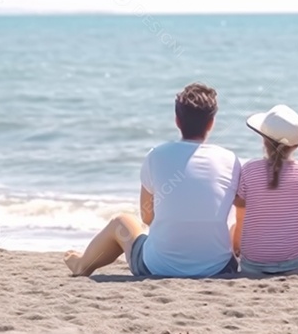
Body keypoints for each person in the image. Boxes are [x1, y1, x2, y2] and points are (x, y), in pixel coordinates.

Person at [64, 83, 241, 277]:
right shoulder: (230, 160)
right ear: (211, 123)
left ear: (177, 120)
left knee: (121, 222)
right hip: (220, 268)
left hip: (157, 267)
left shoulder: (157, 156)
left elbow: (147, 217)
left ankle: (82, 265)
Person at [231, 105, 298, 274]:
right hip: (296, 265)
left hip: (253, 265)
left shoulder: (249, 170)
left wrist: (236, 249)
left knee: (233, 225)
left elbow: (241, 218)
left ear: (264, 140)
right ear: (297, 145)